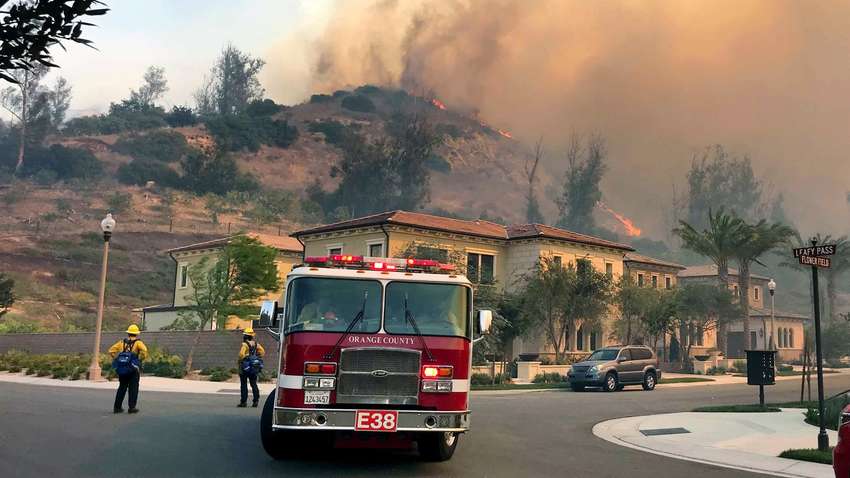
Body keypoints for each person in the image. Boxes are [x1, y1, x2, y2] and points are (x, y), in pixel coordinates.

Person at [108, 324, 148, 414]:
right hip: (133, 368)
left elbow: (111, 351)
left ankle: (117, 407)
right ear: (136, 334)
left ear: (128, 333)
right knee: (133, 388)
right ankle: (132, 407)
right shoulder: (138, 343)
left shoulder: (121, 342)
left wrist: (116, 359)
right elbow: (145, 351)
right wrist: (141, 359)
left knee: (122, 387)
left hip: (123, 368)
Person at [238, 328, 265, 408]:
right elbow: (262, 352)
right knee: (253, 384)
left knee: (244, 384)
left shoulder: (245, 345)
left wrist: (244, 359)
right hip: (253, 367)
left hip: (245, 367)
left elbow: (241, 354)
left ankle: (243, 402)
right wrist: (255, 357)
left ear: (245, 336)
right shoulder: (256, 344)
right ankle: (256, 401)